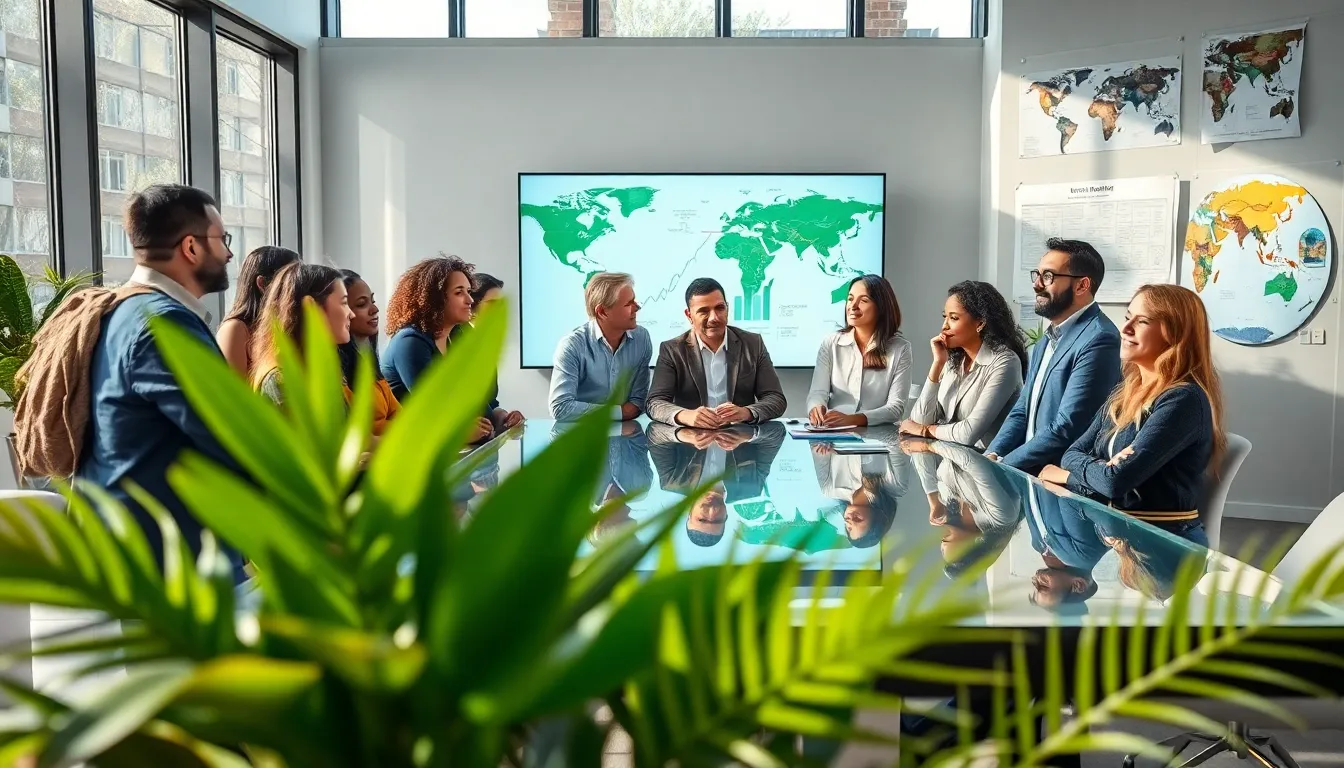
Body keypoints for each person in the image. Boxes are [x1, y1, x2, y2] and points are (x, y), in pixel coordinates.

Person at [75, 184, 243, 576]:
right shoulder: (162, 323)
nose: (230, 253)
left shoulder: (127, 309)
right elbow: (225, 434)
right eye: (223, 239)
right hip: (169, 555)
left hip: (141, 540)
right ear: (191, 248)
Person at [1039, 284, 1225, 547]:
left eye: (1143, 321)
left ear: (1176, 333)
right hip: (1124, 531)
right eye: (1128, 318)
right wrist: (1101, 470)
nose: (1125, 329)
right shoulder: (1125, 393)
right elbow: (1071, 454)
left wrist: (1070, 476)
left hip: (1169, 546)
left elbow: (1114, 483)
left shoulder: (1183, 399)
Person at [986, 239, 1121, 474]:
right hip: (1030, 476)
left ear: (1082, 286)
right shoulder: (1046, 339)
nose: (1037, 284)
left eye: (1048, 276)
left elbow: (1067, 427)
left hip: (1062, 485)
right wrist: (993, 454)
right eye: (1036, 275)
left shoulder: (1100, 339)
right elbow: (1022, 410)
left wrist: (1005, 466)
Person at [901, 280, 1025, 450]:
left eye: (954, 318)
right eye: (945, 317)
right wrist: (937, 364)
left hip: (988, 466)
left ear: (980, 323)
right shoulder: (953, 360)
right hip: (951, 463)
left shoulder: (1005, 362)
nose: (944, 326)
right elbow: (920, 419)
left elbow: (968, 434)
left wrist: (925, 430)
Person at [647, 277, 787, 427]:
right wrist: (686, 416)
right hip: (692, 441)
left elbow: (776, 399)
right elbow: (655, 403)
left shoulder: (753, 344)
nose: (714, 318)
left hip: (739, 440)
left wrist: (746, 412)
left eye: (720, 308)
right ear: (689, 315)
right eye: (704, 311)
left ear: (727, 308)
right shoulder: (672, 350)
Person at [382, 255, 491, 442]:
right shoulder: (410, 342)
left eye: (468, 291)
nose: (470, 300)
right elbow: (432, 408)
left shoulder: (459, 334)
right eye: (459, 292)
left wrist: (498, 416)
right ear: (435, 299)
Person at [647, 420, 786, 547]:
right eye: (718, 520)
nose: (712, 512)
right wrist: (749, 435)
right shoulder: (752, 486)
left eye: (702, 519)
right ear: (726, 516)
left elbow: (654, 431)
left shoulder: (672, 481)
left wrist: (684, 435)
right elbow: (778, 431)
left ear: (688, 513)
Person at [807, 275, 913, 428]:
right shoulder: (831, 343)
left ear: (881, 307)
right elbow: (818, 392)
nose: (853, 306)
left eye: (863, 301)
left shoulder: (900, 348)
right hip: (834, 434)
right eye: (850, 299)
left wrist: (853, 419)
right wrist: (816, 407)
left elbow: (895, 408)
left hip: (879, 438)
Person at [548, 272, 653, 422]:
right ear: (602, 312)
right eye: (628, 304)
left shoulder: (641, 338)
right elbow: (560, 407)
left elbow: (637, 402)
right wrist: (620, 413)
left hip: (627, 437)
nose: (637, 307)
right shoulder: (572, 345)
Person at [250, 263, 354, 406]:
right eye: (344, 303)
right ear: (311, 308)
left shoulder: (317, 366)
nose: (351, 314)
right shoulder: (282, 381)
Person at [216, 246, 301, 376]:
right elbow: (232, 393)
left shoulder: (284, 325)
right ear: (262, 284)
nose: (299, 286)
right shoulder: (235, 329)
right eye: (291, 280)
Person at [336, 269, 401, 436]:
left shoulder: (367, 356)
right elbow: (367, 431)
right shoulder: (337, 371)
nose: (375, 309)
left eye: (372, 301)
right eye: (361, 304)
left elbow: (399, 415)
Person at [464, 273, 523, 431]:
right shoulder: (455, 346)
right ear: (472, 306)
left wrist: (505, 416)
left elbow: (490, 403)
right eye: (492, 304)